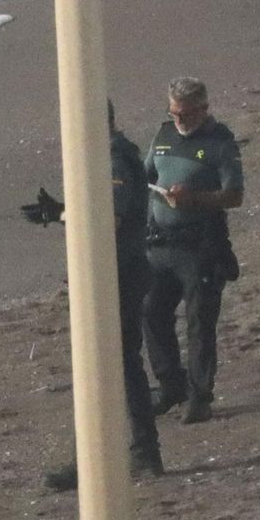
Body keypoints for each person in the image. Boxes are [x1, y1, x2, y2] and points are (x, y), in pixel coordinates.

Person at [35, 100, 165, 490]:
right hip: (111, 272)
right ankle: (107, 456)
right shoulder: (102, 157)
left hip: (118, 275)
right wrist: (62, 210)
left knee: (116, 364)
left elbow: (109, 219)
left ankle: (136, 453)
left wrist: (62, 215)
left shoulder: (114, 160)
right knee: (110, 365)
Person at [143, 78, 244, 424]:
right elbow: (145, 177)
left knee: (200, 323)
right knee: (151, 311)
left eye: (185, 115)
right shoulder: (163, 135)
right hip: (160, 243)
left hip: (201, 246)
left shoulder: (220, 142)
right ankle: (172, 384)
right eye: (174, 114)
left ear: (203, 109)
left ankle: (200, 395)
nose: (179, 121)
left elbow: (234, 195)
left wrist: (194, 199)